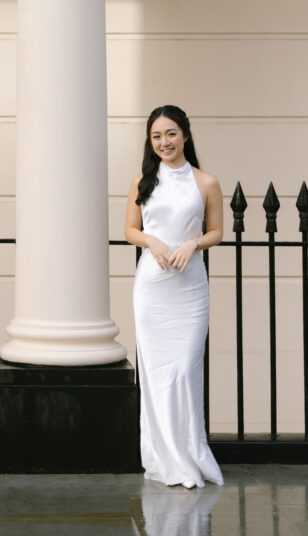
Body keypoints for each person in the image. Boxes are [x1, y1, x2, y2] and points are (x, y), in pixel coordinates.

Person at [124, 105, 224, 488]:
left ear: (185, 135)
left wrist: (193, 244)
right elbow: (131, 229)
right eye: (156, 136)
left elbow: (216, 231)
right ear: (151, 142)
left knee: (184, 369)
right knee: (157, 374)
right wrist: (151, 240)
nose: (164, 142)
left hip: (190, 286)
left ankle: (189, 455)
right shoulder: (142, 182)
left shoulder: (206, 182)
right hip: (153, 285)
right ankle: (164, 458)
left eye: (170, 134)